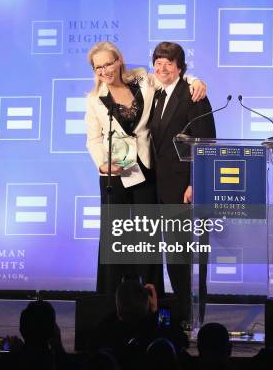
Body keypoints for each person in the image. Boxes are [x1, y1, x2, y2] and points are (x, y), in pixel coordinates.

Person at [85, 41, 207, 296]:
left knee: (147, 239)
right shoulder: (94, 99)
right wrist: (102, 163)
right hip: (113, 175)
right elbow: (93, 139)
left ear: (119, 60)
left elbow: (170, 74)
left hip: (147, 170)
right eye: (98, 67)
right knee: (114, 238)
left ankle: (153, 299)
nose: (105, 70)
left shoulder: (141, 79)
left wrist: (196, 80)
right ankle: (110, 299)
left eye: (109, 63)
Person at [147, 41, 216, 324]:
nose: (162, 69)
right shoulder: (154, 93)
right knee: (173, 255)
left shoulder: (193, 94)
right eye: (158, 63)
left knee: (187, 256)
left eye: (169, 64)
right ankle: (180, 312)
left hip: (185, 189)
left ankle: (192, 314)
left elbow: (205, 142)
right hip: (159, 187)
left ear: (180, 67)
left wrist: (195, 183)